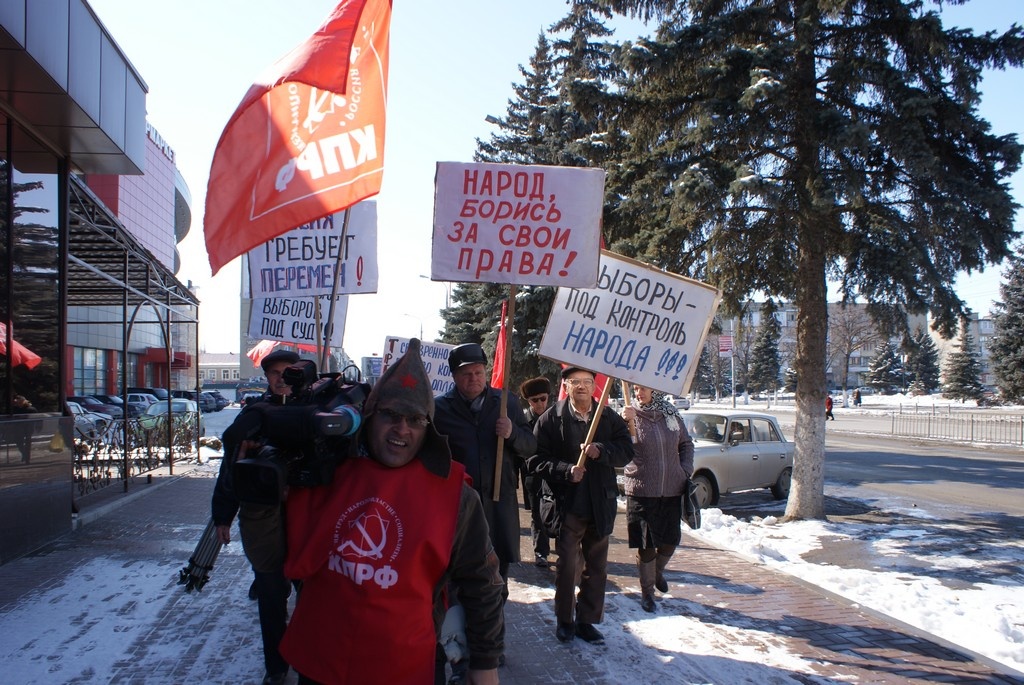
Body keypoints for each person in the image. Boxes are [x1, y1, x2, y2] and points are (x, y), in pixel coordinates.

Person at [279, 338, 505, 685]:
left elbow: (483, 582)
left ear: (428, 428)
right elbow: (277, 558)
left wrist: (485, 662)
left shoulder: (455, 495)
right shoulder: (327, 472)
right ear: (369, 416)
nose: (403, 429)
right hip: (322, 659)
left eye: (415, 419)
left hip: (404, 663)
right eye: (391, 415)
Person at [211, 347, 300, 685]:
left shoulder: (317, 409)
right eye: (275, 373)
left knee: (311, 593)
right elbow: (229, 469)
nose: (281, 378)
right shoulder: (253, 415)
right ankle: (276, 667)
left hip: (307, 516)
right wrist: (222, 514)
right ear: (266, 378)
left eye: (289, 371)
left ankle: (308, 657)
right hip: (261, 518)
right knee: (271, 593)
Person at [528, 366, 634, 645]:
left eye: (588, 382)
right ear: (566, 386)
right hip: (567, 506)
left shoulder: (607, 417)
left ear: (595, 386)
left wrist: (602, 451)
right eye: (576, 382)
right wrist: (566, 471)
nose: (582, 387)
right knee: (567, 567)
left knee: (597, 567)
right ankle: (565, 620)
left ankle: (587, 621)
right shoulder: (552, 419)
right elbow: (534, 460)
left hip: (600, 504)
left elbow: (626, 451)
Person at [433, 343, 537, 589]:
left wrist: (512, 433)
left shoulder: (505, 402)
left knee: (497, 580)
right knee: (458, 576)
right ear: (455, 377)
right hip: (459, 508)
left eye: (479, 372)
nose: (474, 379)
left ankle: (494, 624)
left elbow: (530, 446)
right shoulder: (439, 409)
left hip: (498, 506)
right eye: (466, 374)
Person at [620, 385, 694, 612]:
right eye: (635, 389)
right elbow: (620, 445)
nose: (638, 393)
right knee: (647, 545)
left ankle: (657, 571)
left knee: (671, 540)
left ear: (656, 390)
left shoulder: (671, 415)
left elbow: (686, 444)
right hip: (642, 489)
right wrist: (624, 422)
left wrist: (684, 469)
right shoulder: (630, 415)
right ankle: (648, 593)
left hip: (672, 488)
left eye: (643, 388)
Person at [519, 376, 553, 567]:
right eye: (534, 400)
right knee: (537, 515)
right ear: (528, 401)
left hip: (555, 474)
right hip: (533, 476)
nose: (539, 403)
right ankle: (541, 551)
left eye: (543, 398)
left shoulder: (557, 416)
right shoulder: (523, 420)